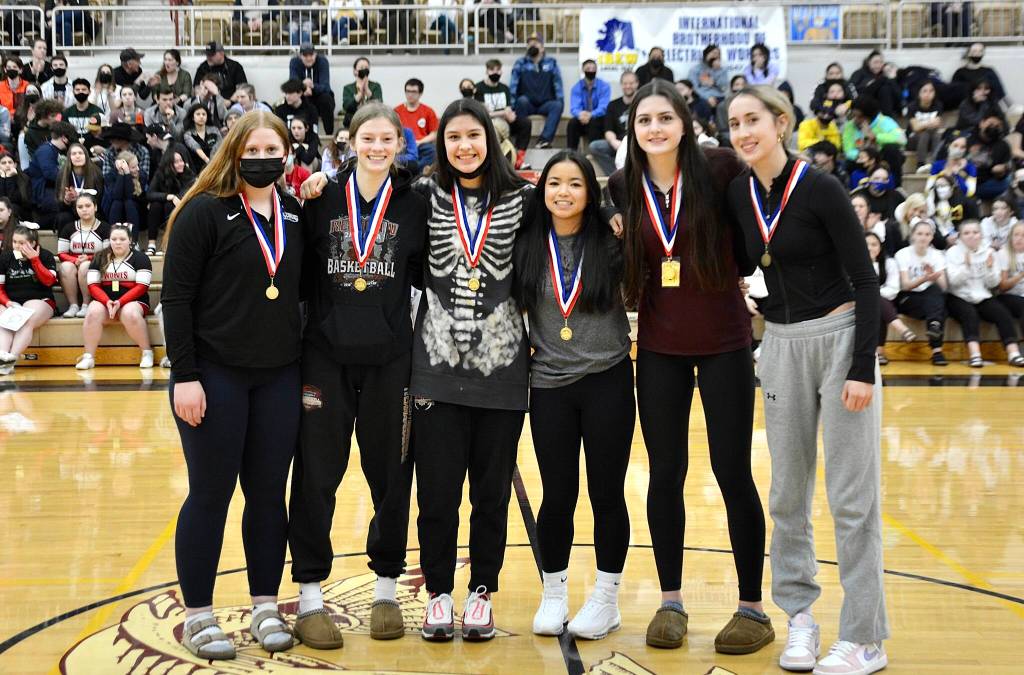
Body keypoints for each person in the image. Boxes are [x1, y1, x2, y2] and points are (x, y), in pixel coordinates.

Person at [727, 85, 888, 675]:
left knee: (852, 501)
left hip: (842, 338)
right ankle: (799, 618)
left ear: (781, 123)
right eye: (735, 122)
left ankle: (865, 637)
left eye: (754, 120)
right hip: (781, 348)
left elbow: (866, 282)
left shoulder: (819, 187)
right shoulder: (738, 195)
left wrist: (862, 366)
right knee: (787, 495)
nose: (744, 131)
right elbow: (748, 260)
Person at [609, 79, 772, 655]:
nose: (653, 128)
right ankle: (671, 601)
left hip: (725, 341)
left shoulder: (722, 167)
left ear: (683, 121)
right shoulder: (622, 184)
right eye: (643, 120)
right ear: (633, 128)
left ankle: (752, 608)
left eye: (664, 117)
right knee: (665, 475)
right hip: (658, 348)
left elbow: (758, 233)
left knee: (733, 473)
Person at [286, 102, 428, 648]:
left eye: (386, 139)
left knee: (391, 477)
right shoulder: (319, 199)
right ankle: (310, 596)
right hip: (325, 357)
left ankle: (387, 588)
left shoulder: (415, 205)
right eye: (367, 138)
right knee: (318, 474)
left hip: (393, 360)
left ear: (398, 144)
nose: (376, 147)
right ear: (350, 142)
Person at [162, 110, 303, 660]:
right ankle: (198, 614)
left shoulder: (293, 212)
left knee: (268, 495)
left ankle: (265, 604)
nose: (264, 157)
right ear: (234, 152)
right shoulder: (203, 213)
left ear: (287, 154)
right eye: (254, 148)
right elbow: (175, 300)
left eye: (275, 148)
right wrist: (185, 376)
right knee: (211, 495)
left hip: (279, 378)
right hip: (214, 377)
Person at [409, 98, 530, 642]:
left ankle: (481, 591)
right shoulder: (421, 195)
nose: (464, 146)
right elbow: (362, 194)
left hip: (502, 371)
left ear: (491, 140)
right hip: (434, 369)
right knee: (436, 491)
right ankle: (438, 591)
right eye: (453, 137)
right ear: (442, 143)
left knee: (490, 493)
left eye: (473, 136)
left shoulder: (526, 200)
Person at [513, 151, 633, 640]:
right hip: (549, 385)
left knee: (607, 493)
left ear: (591, 191)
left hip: (607, 378)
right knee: (557, 494)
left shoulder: (610, 240)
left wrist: (609, 211)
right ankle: (555, 592)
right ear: (542, 189)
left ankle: (607, 599)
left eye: (576, 184)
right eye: (555, 183)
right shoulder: (526, 240)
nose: (564, 192)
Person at [75, 223, 154, 369]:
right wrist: (107, 301)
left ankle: (147, 352)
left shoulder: (141, 258)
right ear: (109, 240)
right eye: (114, 239)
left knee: (130, 313)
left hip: (135, 300)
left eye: (122, 239)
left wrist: (120, 302)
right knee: (92, 313)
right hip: (105, 300)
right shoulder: (99, 257)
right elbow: (93, 286)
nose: (118, 242)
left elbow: (142, 287)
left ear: (130, 240)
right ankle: (89, 357)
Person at [945, 220, 1023, 367]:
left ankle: (1014, 354)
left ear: (981, 235)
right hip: (958, 296)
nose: (971, 236)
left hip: (982, 295)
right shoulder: (952, 253)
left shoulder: (989, 252)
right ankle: (975, 355)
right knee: (969, 314)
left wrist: (989, 269)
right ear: (960, 236)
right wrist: (966, 266)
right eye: (966, 233)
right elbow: (953, 281)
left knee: (1002, 313)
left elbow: (993, 284)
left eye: (975, 232)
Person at [0, 224, 57, 374]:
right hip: (12, 301)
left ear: (32, 243)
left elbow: (49, 281)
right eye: (14, 242)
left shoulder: (46, 256)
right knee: (4, 319)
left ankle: (11, 359)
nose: (17, 246)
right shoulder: (5, 257)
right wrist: (8, 302)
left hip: (40, 300)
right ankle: (2, 356)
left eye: (21, 243)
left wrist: (35, 260)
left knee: (26, 317)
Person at [896, 218, 950, 365]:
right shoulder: (902, 254)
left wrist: (934, 276)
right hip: (907, 298)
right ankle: (937, 351)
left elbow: (944, 287)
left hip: (930, 299)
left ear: (932, 237)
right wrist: (924, 278)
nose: (923, 237)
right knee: (939, 310)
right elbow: (905, 285)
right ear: (912, 235)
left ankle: (934, 326)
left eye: (927, 234)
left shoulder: (937, 255)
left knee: (936, 290)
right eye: (919, 233)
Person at [865, 232, 915, 365]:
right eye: (866, 245)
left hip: (884, 302)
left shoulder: (889, 263)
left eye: (874, 244)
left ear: (880, 247)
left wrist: (873, 294)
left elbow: (893, 289)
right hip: (858, 302)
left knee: (877, 305)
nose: (870, 248)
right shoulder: (853, 264)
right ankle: (901, 329)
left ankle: (879, 352)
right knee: (876, 301)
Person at [57, 192, 109, 318]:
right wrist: (75, 260)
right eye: (80, 207)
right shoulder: (68, 228)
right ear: (76, 209)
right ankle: (73, 305)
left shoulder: (105, 228)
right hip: (75, 263)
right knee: (65, 267)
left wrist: (89, 258)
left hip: (98, 264)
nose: (84, 209)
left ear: (95, 207)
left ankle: (86, 304)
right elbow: (61, 253)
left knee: (86, 266)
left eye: (88, 205)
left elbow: (108, 253)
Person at [475, 59, 531, 170]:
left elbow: (508, 108)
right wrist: (502, 112)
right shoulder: (479, 88)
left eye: (498, 70)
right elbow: (483, 113)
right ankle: (495, 162)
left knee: (525, 123)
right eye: (492, 70)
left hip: (505, 121)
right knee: (494, 128)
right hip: (489, 123)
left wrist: (509, 114)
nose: (495, 73)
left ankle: (519, 159)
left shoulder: (504, 88)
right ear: (487, 71)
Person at [510, 34, 564, 149]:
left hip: (545, 104)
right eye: (530, 43)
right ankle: (522, 141)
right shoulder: (520, 63)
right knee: (521, 101)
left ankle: (544, 140)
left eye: (536, 43)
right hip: (527, 104)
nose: (532, 45)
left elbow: (558, 84)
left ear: (543, 47)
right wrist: (512, 107)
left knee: (557, 105)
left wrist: (560, 100)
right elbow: (513, 85)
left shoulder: (551, 63)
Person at [842, 95, 906, 187]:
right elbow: (848, 150)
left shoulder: (884, 121)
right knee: (849, 163)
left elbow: (901, 139)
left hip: (882, 156)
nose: (856, 119)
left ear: (870, 116)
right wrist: (862, 156)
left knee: (892, 150)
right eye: (853, 115)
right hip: (863, 159)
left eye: (859, 116)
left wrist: (876, 137)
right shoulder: (850, 126)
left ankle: (896, 187)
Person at [26, 121, 76, 231]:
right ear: (64, 138)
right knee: (64, 208)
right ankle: (36, 226)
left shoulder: (53, 150)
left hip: (52, 190)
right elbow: (50, 174)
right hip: (43, 192)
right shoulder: (46, 151)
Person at [589, 70, 638, 177]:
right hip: (618, 143)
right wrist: (613, 142)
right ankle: (617, 174)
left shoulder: (642, 103)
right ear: (621, 85)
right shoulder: (613, 105)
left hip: (636, 142)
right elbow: (608, 130)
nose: (628, 86)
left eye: (631, 83)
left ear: (637, 84)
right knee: (595, 146)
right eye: (625, 83)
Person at [146, 148, 195, 255]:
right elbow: (149, 194)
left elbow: (186, 194)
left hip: (181, 207)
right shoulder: (160, 173)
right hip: (163, 206)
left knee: (169, 205)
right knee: (155, 205)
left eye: (181, 160)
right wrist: (169, 196)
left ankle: (168, 244)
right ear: (169, 164)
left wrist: (172, 198)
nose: (181, 164)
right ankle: (151, 244)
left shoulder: (188, 174)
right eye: (176, 162)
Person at [54, 142, 103, 231]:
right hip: (71, 210)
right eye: (74, 154)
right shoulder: (62, 174)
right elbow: (58, 204)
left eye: (80, 153)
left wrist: (83, 198)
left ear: (86, 156)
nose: (77, 156)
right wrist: (67, 200)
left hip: (91, 210)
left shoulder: (96, 172)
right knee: (63, 218)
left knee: (98, 217)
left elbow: (100, 198)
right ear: (69, 158)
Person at [289, 43, 335, 135]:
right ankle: (305, 136)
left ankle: (329, 134)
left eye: (311, 55)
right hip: (303, 96)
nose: (309, 58)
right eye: (305, 55)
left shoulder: (322, 61)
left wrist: (312, 86)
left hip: (320, 98)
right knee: (297, 100)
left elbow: (326, 87)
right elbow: (293, 84)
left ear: (315, 54)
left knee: (326, 99)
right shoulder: (294, 62)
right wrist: (304, 87)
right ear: (300, 56)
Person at [395, 78, 439, 173]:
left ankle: (415, 173)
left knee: (434, 151)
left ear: (420, 93)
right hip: (403, 144)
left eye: (414, 92)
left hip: (421, 144)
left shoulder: (428, 111)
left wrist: (419, 142)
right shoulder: (397, 111)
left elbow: (434, 134)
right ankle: (416, 172)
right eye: (408, 91)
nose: (410, 94)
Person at [567, 60, 610, 153]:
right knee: (572, 123)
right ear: (583, 70)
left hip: (597, 119)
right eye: (588, 69)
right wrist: (581, 115)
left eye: (593, 69)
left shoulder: (604, 86)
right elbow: (574, 108)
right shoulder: (576, 87)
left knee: (594, 122)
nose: (591, 71)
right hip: (582, 120)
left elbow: (603, 107)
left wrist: (591, 115)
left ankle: (594, 153)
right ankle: (571, 152)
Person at [969, 112, 1012, 201]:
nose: (994, 127)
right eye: (991, 123)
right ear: (982, 123)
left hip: (985, 184)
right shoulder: (968, 139)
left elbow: (1007, 168)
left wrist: (1002, 171)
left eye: (998, 125)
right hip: (965, 180)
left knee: (1007, 180)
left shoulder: (1003, 145)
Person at [951, 43, 1006, 109]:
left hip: (987, 106)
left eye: (980, 51)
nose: (977, 54)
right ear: (968, 53)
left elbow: (999, 91)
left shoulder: (989, 71)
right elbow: (954, 92)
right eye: (974, 51)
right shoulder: (960, 72)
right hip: (968, 107)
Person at [849, 50, 900, 118]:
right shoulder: (860, 73)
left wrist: (892, 78)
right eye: (875, 62)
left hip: (884, 106)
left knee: (885, 88)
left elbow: (898, 94)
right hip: (865, 102)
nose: (878, 65)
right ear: (868, 62)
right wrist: (855, 101)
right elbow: (850, 86)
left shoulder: (885, 74)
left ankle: (887, 119)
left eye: (881, 62)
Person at [905, 81, 943, 168]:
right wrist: (929, 123)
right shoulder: (912, 106)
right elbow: (916, 128)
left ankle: (936, 164)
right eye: (924, 91)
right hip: (913, 139)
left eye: (931, 91)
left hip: (931, 138)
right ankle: (920, 164)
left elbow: (937, 123)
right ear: (919, 93)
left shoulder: (938, 105)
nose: (928, 94)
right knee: (924, 134)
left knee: (937, 135)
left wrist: (923, 124)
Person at [997, 221, 1024, 335]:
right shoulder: (1004, 253)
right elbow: (1003, 287)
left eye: (1023, 236)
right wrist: (1021, 274)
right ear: (1011, 237)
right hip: (1009, 296)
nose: (1019, 239)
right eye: (1016, 235)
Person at [341, 58, 383, 129]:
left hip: (372, 119)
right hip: (353, 121)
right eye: (361, 67)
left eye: (366, 68)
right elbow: (346, 107)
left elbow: (379, 105)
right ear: (355, 71)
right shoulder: (348, 88)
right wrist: (360, 94)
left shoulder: (376, 86)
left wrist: (367, 90)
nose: (364, 70)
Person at [183, 103, 222, 171]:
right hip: (196, 169)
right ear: (192, 117)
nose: (201, 116)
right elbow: (195, 147)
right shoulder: (188, 134)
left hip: (216, 165)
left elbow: (219, 146)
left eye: (204, 114)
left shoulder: (214, 130)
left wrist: (213, 163)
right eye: (198, 114)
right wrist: (208, 161)